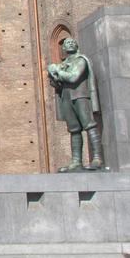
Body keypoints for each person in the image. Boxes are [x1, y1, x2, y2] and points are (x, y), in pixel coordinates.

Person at [47, 37, 106, 172]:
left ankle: (97, 158)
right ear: (63, 48)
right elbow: (57, 83)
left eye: (72, 42)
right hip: (66, 97)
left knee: (89, 125)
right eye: (67, 43)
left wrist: (58, 71)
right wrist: (53, 76)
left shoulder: (80, 60)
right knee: (74, 130)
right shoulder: (63, 64)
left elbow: (74, 77)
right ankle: (76, 161)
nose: (70, 44)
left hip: (80, 95)